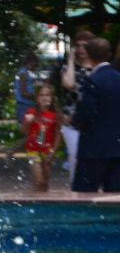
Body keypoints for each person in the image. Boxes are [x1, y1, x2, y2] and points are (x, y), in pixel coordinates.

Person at [71, 37, 120, 193]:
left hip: (93, 150)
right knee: (114, 197)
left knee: (83, 195)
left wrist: (74, 120)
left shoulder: (92, 81)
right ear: (109, 54)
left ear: (88, 55)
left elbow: (86, 113)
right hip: (117, 148)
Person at [60, 30, 94, 182]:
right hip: (71, 121)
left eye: (84, 46)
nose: (81, 49)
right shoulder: (68, 68)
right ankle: (75, 187)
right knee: (74, 157)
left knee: (93, 158)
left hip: (94, 121)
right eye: (78, 46)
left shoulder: (97, 68)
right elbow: (68, 83)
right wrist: (71, 59)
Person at [21, 83, 59, 191]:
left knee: (45, 182)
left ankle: (41, 201)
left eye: (47, 95)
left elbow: (57, 135)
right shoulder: (31, 112)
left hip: (47, 150)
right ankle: (36, 197)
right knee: (39, 180)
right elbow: (24, 131)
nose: (44, 98)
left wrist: (53, 152)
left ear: (51, 98)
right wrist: (27, 122)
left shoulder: (55, 115)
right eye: (41, 95)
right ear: (37, 98)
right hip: (32, 150)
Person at [13, 53, 38, 125]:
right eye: (34, 64)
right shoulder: (23, 73)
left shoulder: (25, 72)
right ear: (31, 62)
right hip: (24, 105)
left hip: (25, 104)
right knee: (25, 126)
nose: (34, 66)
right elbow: (23, 92)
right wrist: (34, 97)